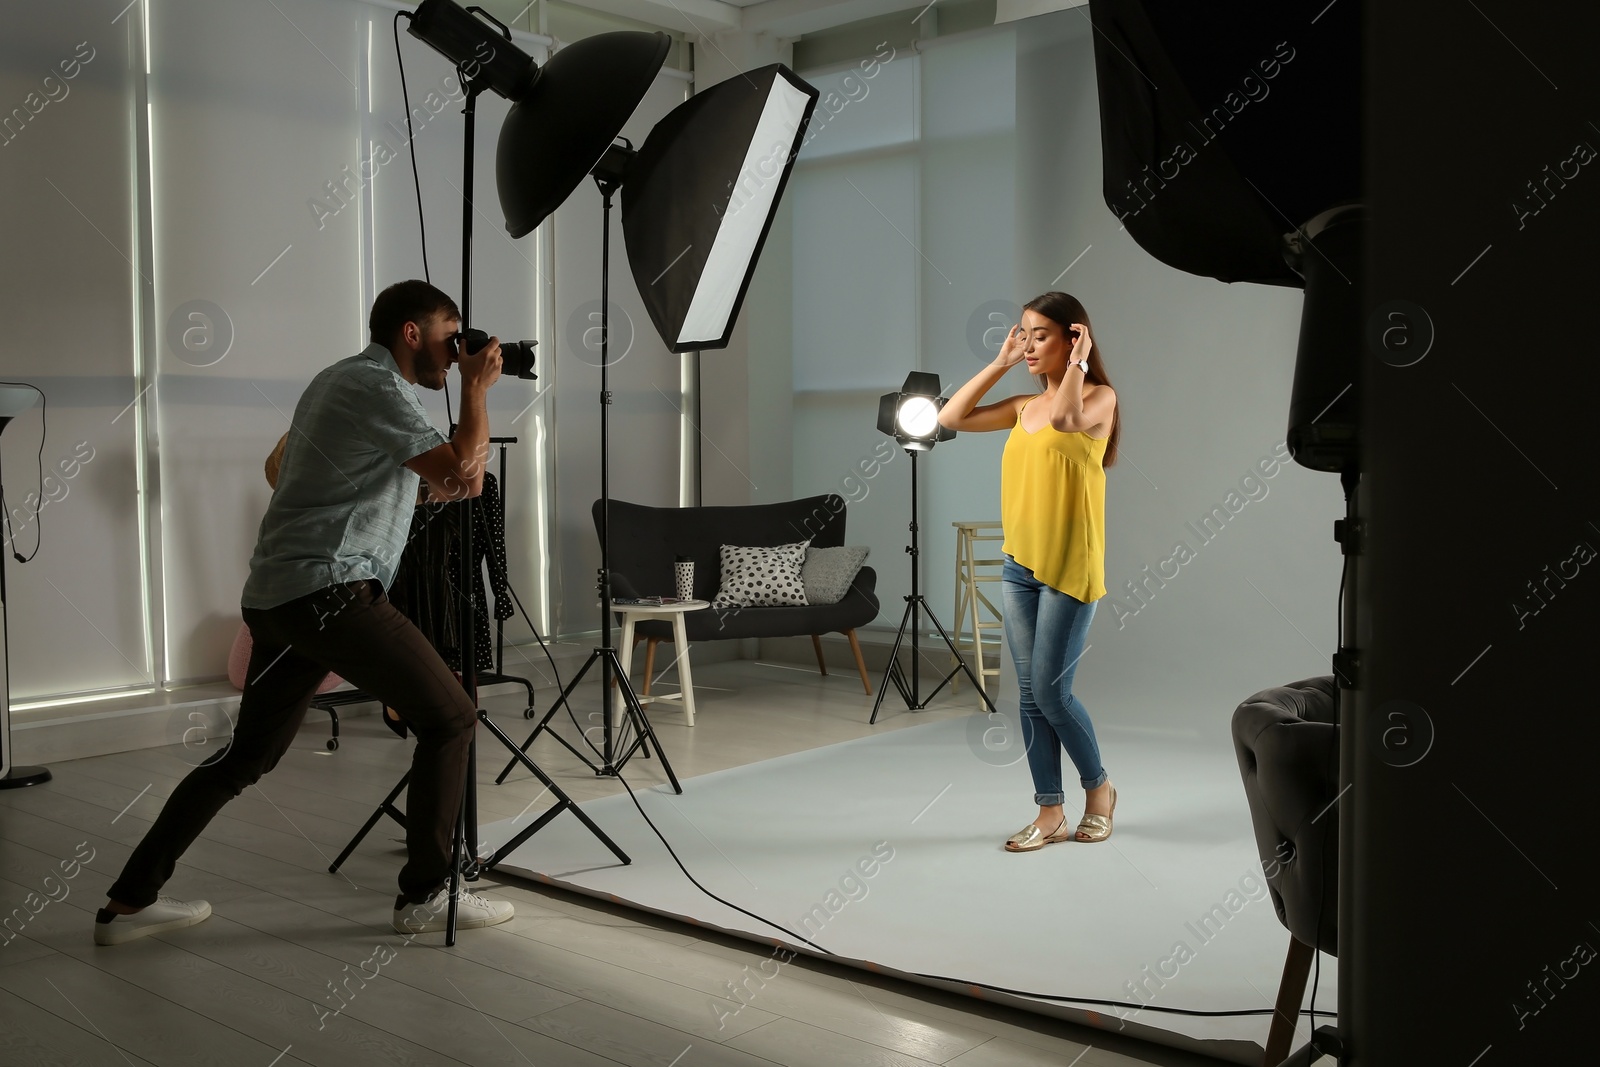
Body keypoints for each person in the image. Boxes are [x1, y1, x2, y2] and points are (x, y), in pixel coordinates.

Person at [95, 280, 512, 944]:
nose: (456, 349)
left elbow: (394, 480)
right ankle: (427, 895)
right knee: (454, 715)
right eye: (449, 333)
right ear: (411, 331)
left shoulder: (344, 382)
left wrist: (421, 480)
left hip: (280, 599)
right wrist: (478, 389)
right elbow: (467, 479)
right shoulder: (376, 388)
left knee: (245, 757)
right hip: (332, 594)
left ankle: (129, 902)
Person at [938, 291, 1121, 852]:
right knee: (1027, 695)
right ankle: (1049, 813)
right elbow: (950, 417)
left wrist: (1080, 363)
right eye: (1024, 333)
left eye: (1039, 334)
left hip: (1069, 568)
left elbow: (1067, 417)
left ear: (1074, 336)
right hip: (1019, 566)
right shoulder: (1021, 407)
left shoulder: (1099, 398)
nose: (1028, 344)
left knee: (1051, 691)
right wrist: (1000, 363)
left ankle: (1100, 791)